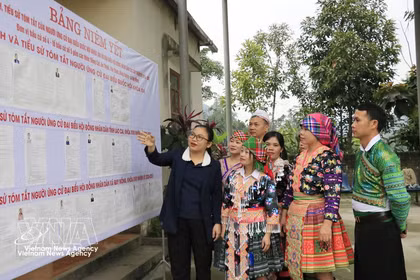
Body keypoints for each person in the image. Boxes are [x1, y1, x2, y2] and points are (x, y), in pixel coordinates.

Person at [138, 124, 222, 280]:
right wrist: (151, 147)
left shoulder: (214, 166)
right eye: (192, 135)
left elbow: (217, 195)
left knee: (203, 267)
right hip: (177, 221)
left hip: (202, 223)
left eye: (199, 137)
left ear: (208, 144)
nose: (194, 139)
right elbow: (157, 158)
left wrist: (217, 221)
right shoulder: (178, 156)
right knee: (179, 267)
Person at [281, 113, 354, 280]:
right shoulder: (301, 156)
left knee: (322, 268)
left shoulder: (328, 157)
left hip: (317, 217)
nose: (301, 133)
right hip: (296, 217)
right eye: (301, 128)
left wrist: (327, 225)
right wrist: (284, 214)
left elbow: (333, 194)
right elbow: (290, 188)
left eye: (306, 129)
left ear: (319, 131)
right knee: (297, 265)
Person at [351, 103, 410, 280]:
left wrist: (401, 224)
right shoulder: (361, 153)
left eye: (357, 120)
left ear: (373, 123)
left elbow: (400, 198)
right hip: (364, 227)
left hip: (380, 229)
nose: (352, 124)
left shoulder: (385, 155)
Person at [217, 136, 283, 279]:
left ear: (255, 156)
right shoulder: (233, 176)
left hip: (257, 232)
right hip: (234, 230)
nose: (242, 154)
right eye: (242, 151)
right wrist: (223, 227)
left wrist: (268, 235)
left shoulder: (265, 179)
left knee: (259, 273)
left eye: (246, 152)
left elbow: (273, 209)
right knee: (234, 270)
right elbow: (226, 202)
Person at [263, 131, 291, 279]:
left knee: (280, 254)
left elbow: (289, 194)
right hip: (260, 217)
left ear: (281, 149)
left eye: (275, 145)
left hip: (280, 216)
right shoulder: (258, 167)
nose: (271, 148)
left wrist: (283, 216)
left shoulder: (286, 168)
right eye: (267, 144)